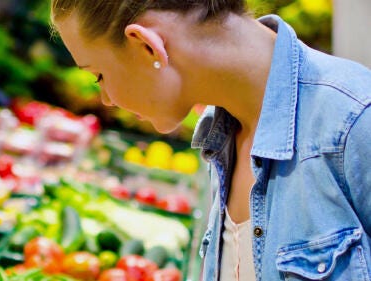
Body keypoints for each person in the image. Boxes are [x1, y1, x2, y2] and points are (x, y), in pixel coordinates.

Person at [50, 0, 371, 280]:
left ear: (146, 45)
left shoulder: (355, 122)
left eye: (99, 76)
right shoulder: (220, 135)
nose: (105, 99)